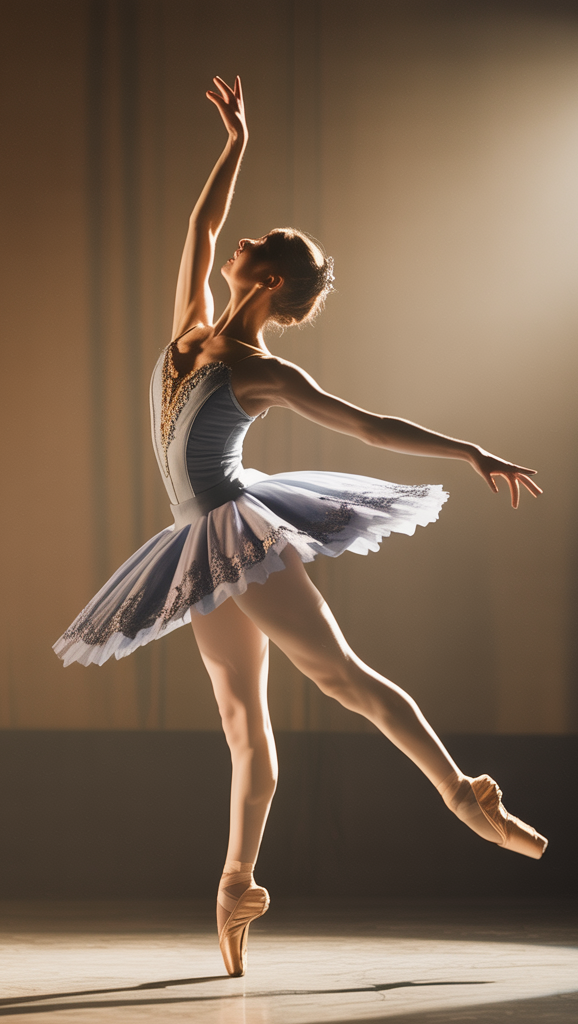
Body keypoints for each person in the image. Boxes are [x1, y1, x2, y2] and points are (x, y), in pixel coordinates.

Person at [54, 75, 546, 978]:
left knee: (341, 676)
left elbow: (370, 427)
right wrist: (235, 143)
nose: (237, 244)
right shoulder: (190, 330)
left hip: (236, 535)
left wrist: (469, 450)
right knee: (243, 723)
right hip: (197, 544)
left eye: (256, 245)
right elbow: (201, 227)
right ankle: (235, 886)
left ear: (269, 279)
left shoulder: (262, 371)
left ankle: (463, 795)